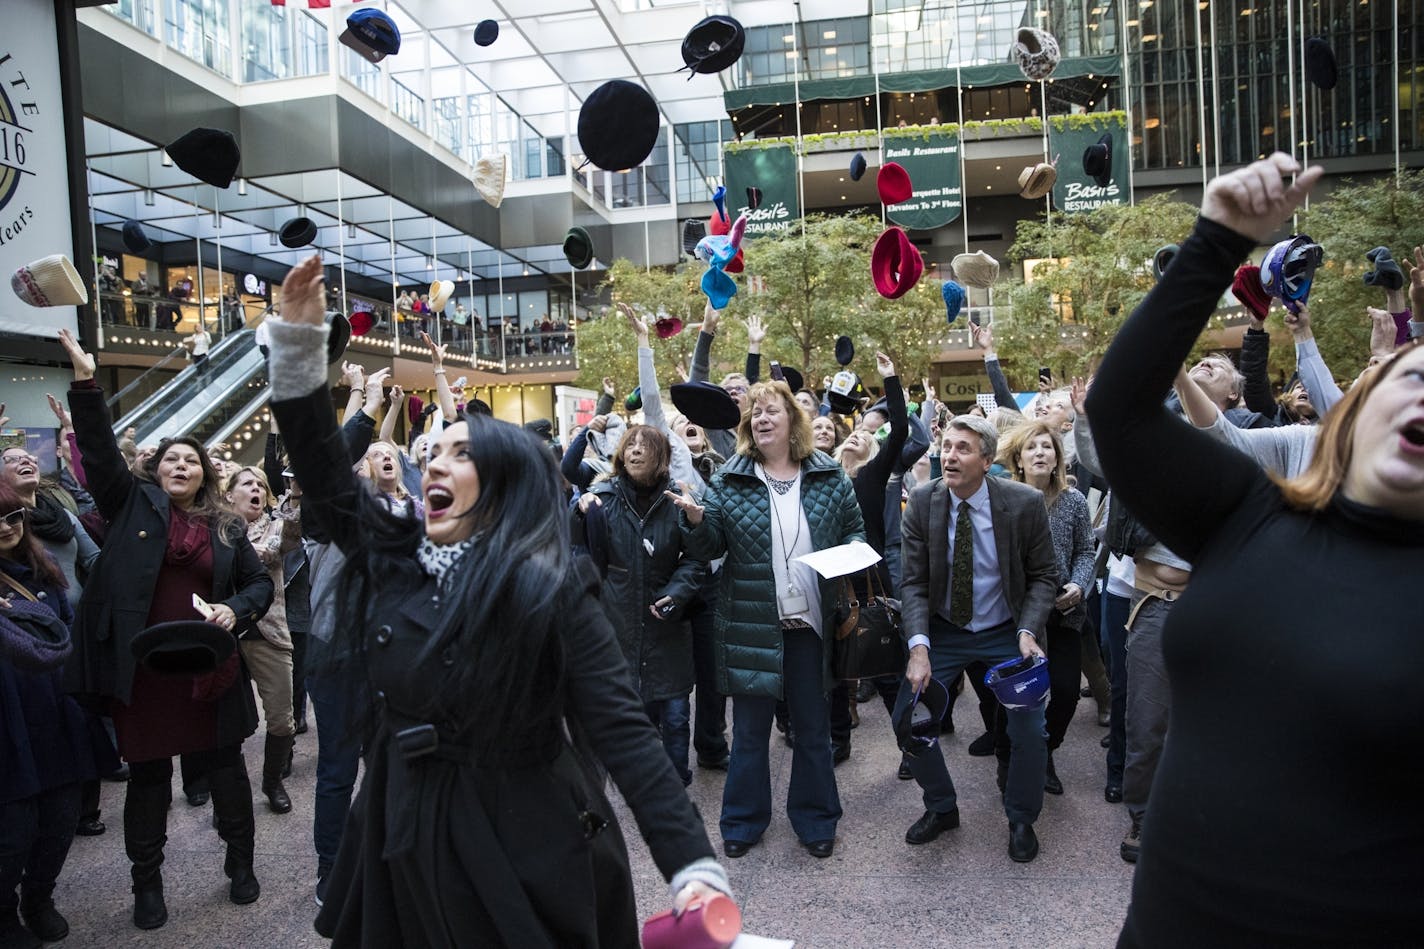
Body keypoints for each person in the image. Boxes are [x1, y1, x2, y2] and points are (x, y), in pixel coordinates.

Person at [268, 255, 729, 946]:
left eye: (462, 452)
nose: (437, 461)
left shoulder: (556, 581)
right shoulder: (393, 555)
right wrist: (300, 356)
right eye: (436, 450)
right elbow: (325, 477)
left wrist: (691, 861)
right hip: (401, 822)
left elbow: (621, 728)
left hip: (519, 830)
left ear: (505, 486)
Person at [1090, 154, 1424, 945]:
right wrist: (1218, 240)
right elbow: (1121, 409)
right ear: (1352, 415)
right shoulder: (1247, 513)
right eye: (1411, 374)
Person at [59, 328, 274, 930]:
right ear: (155, 471)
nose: (181, 465)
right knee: (149, 778)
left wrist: (237, 610)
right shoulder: (130, 506)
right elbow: (100, 452)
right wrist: (85, 380)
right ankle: (147, 886)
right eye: (170, 459)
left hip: (211, 669)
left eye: (192, 460)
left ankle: (241, 865)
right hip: (146, 673)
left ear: (206, 475)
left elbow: (259, 585)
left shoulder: (227, 525)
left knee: (227, 770)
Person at [667, 379, 866, 860]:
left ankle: (817, 820)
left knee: (813, 729)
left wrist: (852, 554)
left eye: (771, 410)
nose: (761, 418)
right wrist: (694, 521)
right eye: (754, 413)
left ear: (792, 419)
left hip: (811, 627)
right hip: (751, 624)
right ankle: (741, 821)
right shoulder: (728, 480)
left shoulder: (827, 475)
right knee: (751, 733)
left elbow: (855, 531)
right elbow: (711, 544)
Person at [895, 415, 1057, 863]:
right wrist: (919, 649)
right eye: (947, 446)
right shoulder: (924, 502)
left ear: (987, 460)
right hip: (945, 630)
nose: (950, 456)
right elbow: (912, 584)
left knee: (1029, 728)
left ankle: (1021, 817)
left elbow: (1045, 574)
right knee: (908, 719)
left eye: (964, 448)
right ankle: (942, 808)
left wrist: (1027, 631)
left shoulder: (1023, 503)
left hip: (1007, 630)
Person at [0, 481, 113, 949]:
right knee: (12, 835)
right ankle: (5, 915)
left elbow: (66, 631)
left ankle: (39, 900)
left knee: (62, 821)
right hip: (8, 722)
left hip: (55, 710)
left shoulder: (42, 570)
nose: (6, 527)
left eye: (12, 517)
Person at [572, 425, 706, 785]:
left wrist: (677, 593)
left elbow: (696, 560)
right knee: (637, 713)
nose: (635, 452)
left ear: (661, 456)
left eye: (644, 447)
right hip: (619, 619)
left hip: (667, 623)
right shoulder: (602, 496)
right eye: (629, 445)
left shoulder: (678, 499)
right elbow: (574, 546)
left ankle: (675, 781)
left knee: (677, 717)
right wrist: (578, 507)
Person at [994, 421, 1095, 795]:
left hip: (1064, 612)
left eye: (1047, 447)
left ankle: (1045, 750)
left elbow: (1086, 549)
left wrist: (1080, 584)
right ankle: (1008, 757)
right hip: (1016, 616)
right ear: (1018, 459)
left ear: (1058, 458)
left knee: (1066, 692)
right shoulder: (1004, 500)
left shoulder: (1074, 501)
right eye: (1032, 447)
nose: (1040, 452)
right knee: (1013, 695)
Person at [223, 466, 298, 814]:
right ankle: (225, 793)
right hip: (223, 635)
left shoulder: (277, 525)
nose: (256, 489)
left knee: (283, 719)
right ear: (228, 494)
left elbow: (276, 547)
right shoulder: (214, 531)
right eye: (247, 484)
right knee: (223, 722)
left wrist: (296, 495)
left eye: (261, 485)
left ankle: (272, 782)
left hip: (269, 630)